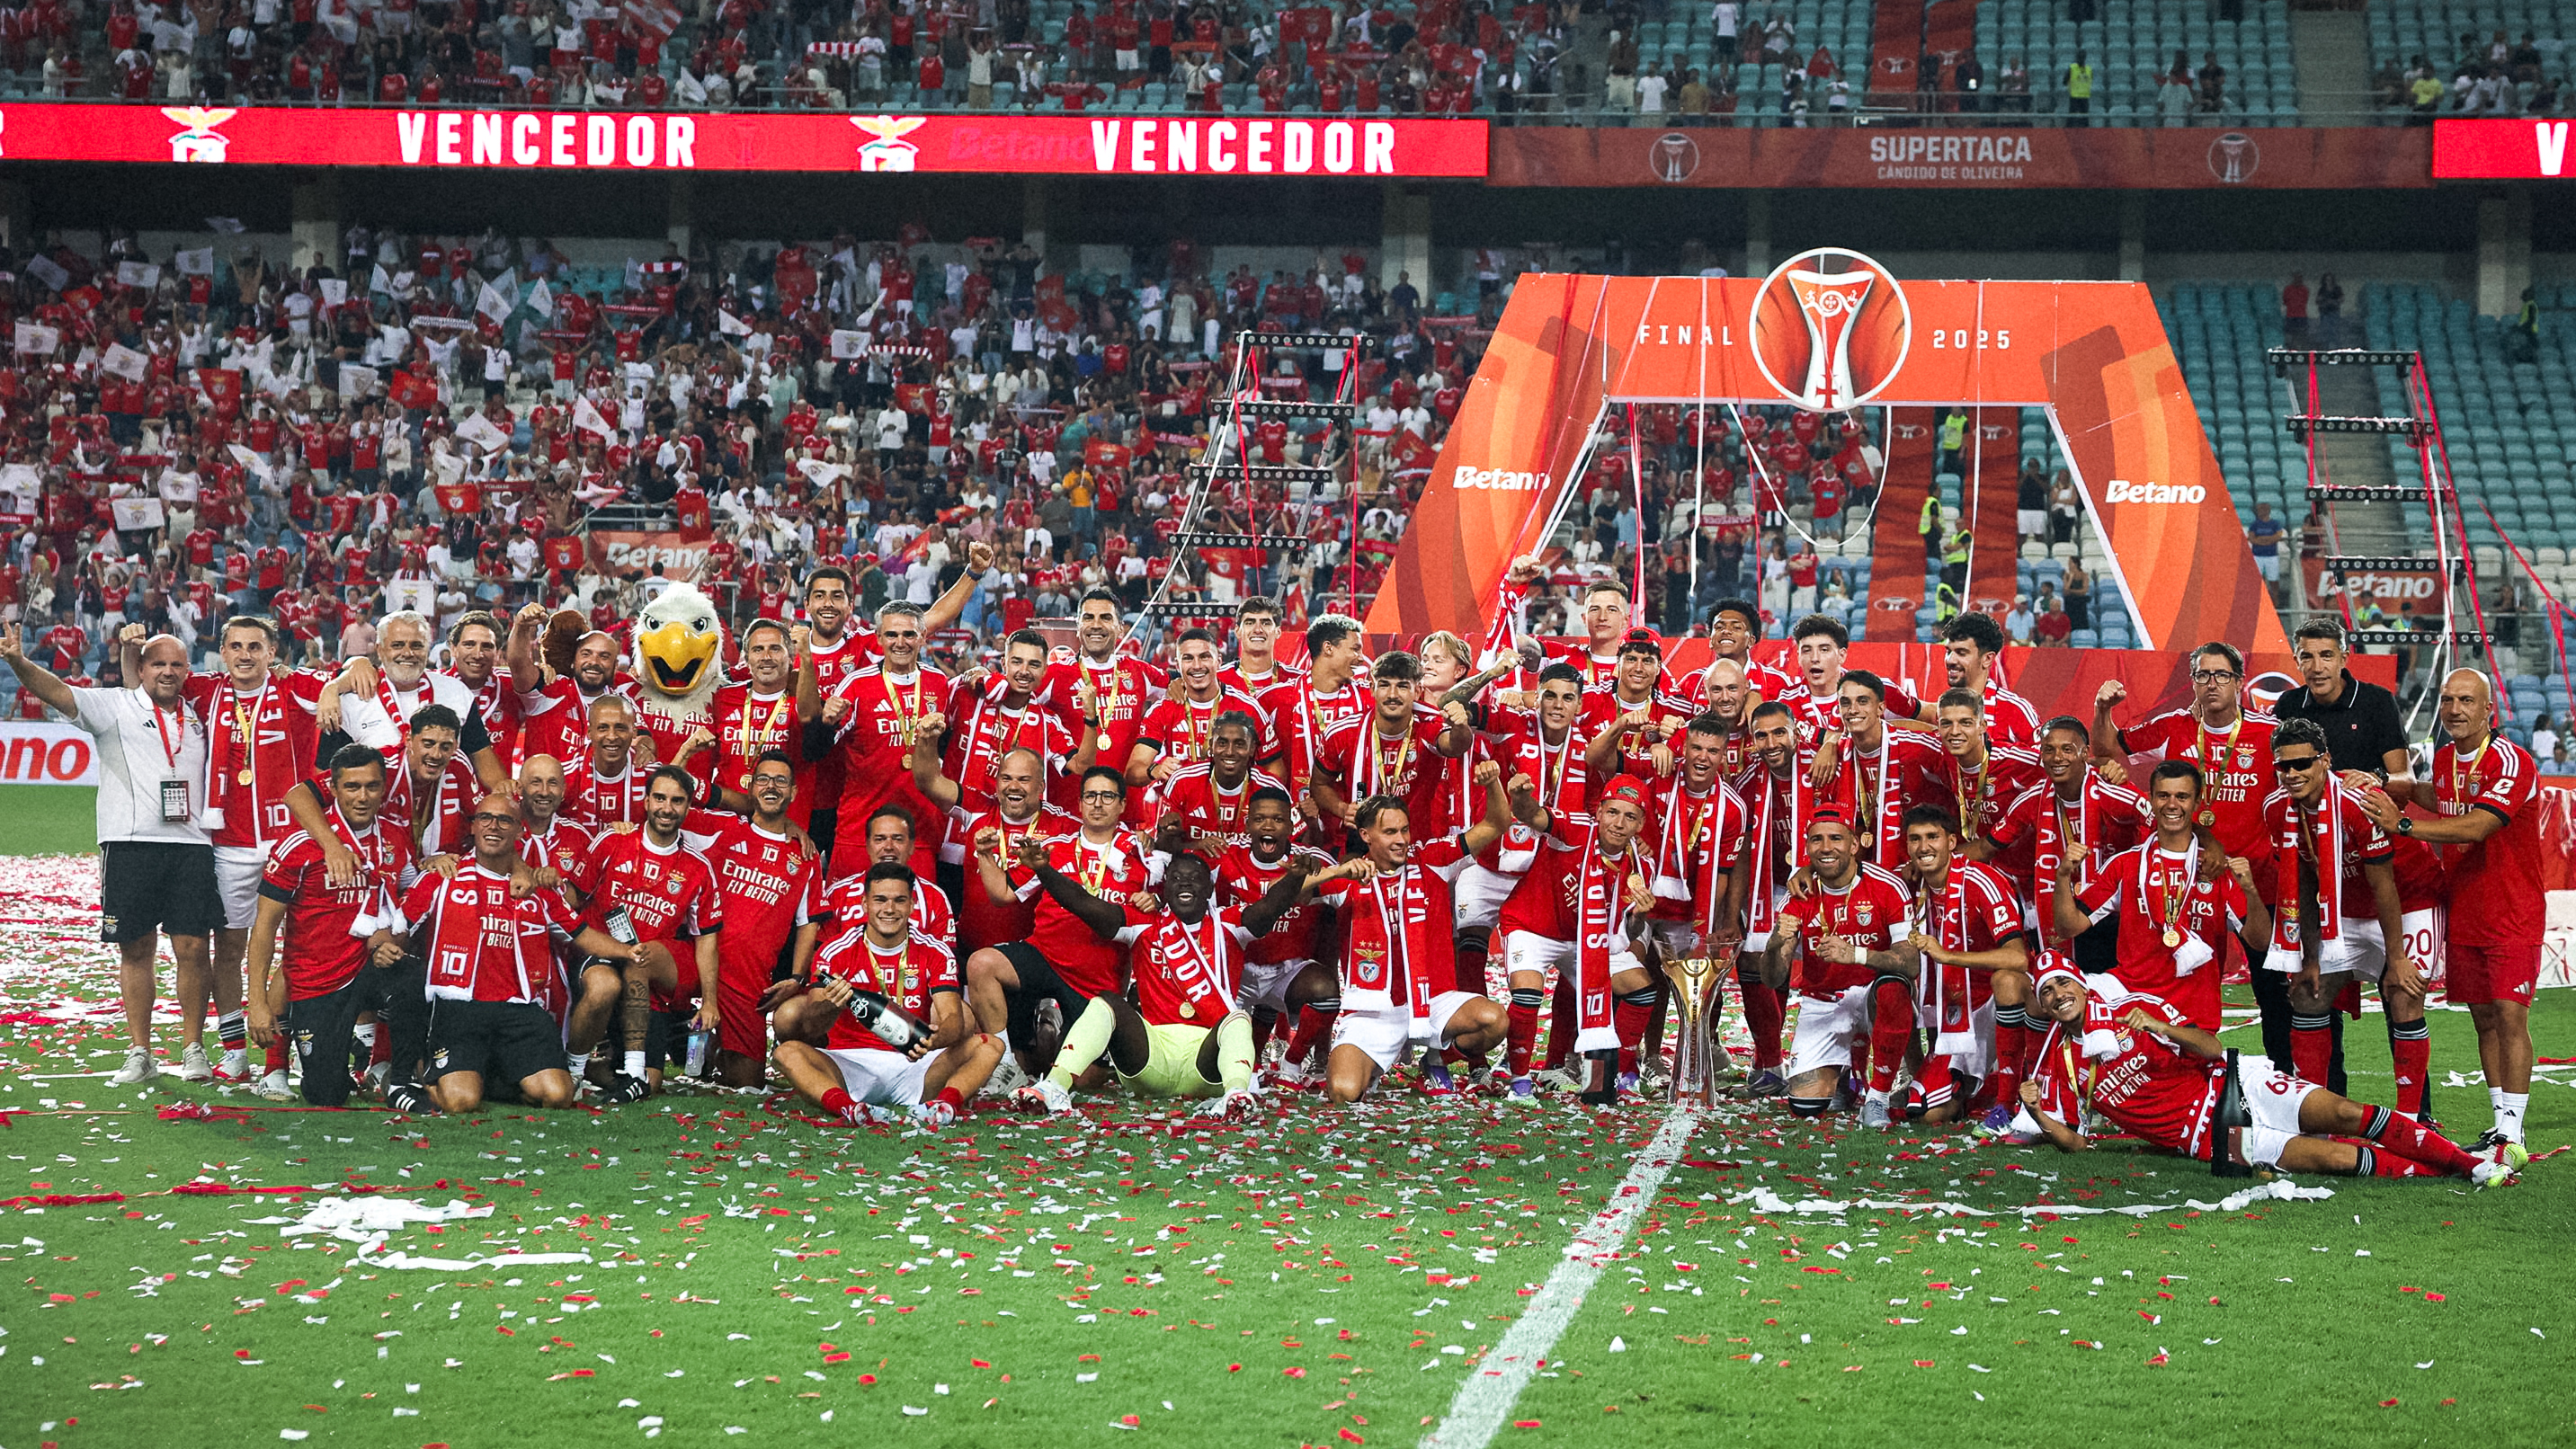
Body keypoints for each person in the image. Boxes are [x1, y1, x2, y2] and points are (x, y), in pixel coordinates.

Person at [2017, 963, 2511, 1187]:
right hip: (2211, 1138)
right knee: (2335, 1160)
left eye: (2063, 982)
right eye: (2046, 992)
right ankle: (2448, 1167)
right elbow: (2079, 1144)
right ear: (2043, 1006)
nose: (2058, 994)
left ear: (2079, 984)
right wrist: (2037, 1112)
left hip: (2233, 1083)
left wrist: (2161, 1027)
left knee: (2341, 1111)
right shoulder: (2058, 1064)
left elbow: (2211, 1046)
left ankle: (2472, 1166)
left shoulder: (2134, 1008)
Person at [2, 619, 223, 1087]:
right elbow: (58, 692)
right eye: (158, 663)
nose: (168, 671)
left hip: (192, 846)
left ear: (188, 670)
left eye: (177, 664)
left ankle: (193, 1047)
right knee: (137, 947)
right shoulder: (114, 706)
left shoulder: (201, 716)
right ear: (140, 670)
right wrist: (18, 661)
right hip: (129, 843)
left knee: (193, 948)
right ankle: (140, 1051)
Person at [1010, 842, 1360, 1117]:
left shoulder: (1229, 925)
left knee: (1238, 1017)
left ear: (1209, 888)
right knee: (1106, 1002)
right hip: (1151, 1057)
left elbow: (1268, 908)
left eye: (1195, 878)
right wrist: (1044, 870)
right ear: (1165, 887)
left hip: (1207, 1063)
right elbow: (1085, 904)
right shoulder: (1143, 926)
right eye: (1177, 878)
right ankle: (1053, 1088)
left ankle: (1236, 1095)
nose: (1185, 883)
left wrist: (1295, 878)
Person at [2354, 670, 2543, 1165]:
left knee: (2509, 1015)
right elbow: (2444, 798)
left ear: (2489, 711)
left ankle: (2514, 1135)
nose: (2455, 709)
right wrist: (2385, 786)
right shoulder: (2443, 758)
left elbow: (2480, 825)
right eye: (2447, 700)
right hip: (2463, 906)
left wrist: (2404, 824)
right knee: (2483, 1019)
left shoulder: (2510, 760)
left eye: (2466, 700)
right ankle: (2500, 1124)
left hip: (2512, 910)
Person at [406, 793, 634, 1114]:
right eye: (485, 818)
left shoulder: (535, 890)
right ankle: (434, 1075)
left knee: (558, 1096)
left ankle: (489, 1073)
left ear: (520, 831)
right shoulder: (441, 877)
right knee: (461, 1102)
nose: (493, 826)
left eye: (505, 820)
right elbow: (401, 928)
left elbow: (580, 933)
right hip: (460, 1007)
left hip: (519, 1010)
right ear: (472, 826)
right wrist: (384, 944)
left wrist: (629, 951)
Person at [2260, 718, 2430, 1119]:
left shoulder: (2358, 802)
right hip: (2343, 907)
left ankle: (2411, 1122)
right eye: (2283, 766)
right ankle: (2314, 1113)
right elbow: (2300, 880)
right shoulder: (2276, 810)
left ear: (2326, 761)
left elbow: (2384, 885)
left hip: (2409, 899)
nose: (2292, 774)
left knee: (2405, 992)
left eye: (2302, 763)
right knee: (2307, 993)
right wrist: (2311, 957)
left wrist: (2397, 959)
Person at [1309, 779, 1512, 1102]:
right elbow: (1289, 891)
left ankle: (1437, 1057)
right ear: (1366, 836)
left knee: (1495, 1021)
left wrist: (1492, 785)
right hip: (1374, 1009)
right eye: (1390, 833)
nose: (1402, 840)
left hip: (1433, 1001)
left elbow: (1497, 824)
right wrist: (1335, 873)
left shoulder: (1432, 858)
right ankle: (1374, 1065)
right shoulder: (1350, 876)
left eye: (1404, 830)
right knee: (1343, 1093)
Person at [963, 766, 1159, 1089]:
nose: (1098, 804)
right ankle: (1004, 1064)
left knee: (1081, 1081)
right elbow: (1002, 894)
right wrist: (985, 854)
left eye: (1107, 796)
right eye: (1090, 796)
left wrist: (1155, 901)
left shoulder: (1144, 854)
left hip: (1096, 981)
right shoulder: (1054, 848)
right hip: (1045, 956)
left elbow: (1171, 905)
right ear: (1079, 804)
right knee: (981, 963)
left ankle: (1052, 1031)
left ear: (1123, 804)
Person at [245, 744, 417, 1107]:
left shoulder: (396, 836)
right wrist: (257, 1003)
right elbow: (264, 927)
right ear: (333, 790)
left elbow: (406, 903)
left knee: (414, 981)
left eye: (372, 786)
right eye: (352, 787)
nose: (362, 796)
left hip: (370, 966)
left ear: (384, 788)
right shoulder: (299, 845)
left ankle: (387, 1070)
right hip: (320, 980)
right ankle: (293, 1064)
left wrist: (392, 939)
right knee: (326, 1093)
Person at [772, 862, 1003, 1127]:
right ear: (865, 904)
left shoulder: (935, 949)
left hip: (915, 1063)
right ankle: (850, 1109)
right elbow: (812, 1027)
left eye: (899, 901)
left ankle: (944, 1107)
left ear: (912, 905)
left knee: (991, 1045)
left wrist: (935, 1039)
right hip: (851, 1063)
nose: (890, 909)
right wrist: (832, 1005)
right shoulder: (835, 950)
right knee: (787, 1052)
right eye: (880, 900)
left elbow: (953, 1017)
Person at [566, 766, 724, 1101]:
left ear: (688, 807)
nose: (667, 808)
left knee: (652, 1085)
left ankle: (625, 1072)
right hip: (600, 956)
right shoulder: (613, 841)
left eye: (677, 801)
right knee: (606, 984)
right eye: (660, 798)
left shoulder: (697, 868)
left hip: (645, 977)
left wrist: (709, 1001)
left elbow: (706, 937)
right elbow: (573, 898)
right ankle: (575, 1070)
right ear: (646, 800)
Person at [1756, 805, 1918, 1117]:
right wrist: (1774, 945)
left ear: (1854, 845)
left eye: (1836, 839)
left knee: (1894, 987)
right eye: (1816, 840)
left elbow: (1910, 964)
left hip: (1873, 993)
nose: (1826, 848)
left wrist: (1856, 955)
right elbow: (1773, 979)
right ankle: (1846, 1076)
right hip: (1823, 1001)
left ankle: (1879, 1098)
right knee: (1805, 1105)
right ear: (1806, 848)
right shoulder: (1799, 896)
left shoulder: (1888, 887)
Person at [1885, 805, 2026, 1127]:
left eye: (1932, 837)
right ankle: (1965, 1086)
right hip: (1951, 1006)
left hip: (1990, 1004)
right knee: (1930, 1116)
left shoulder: (1981, 880)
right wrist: (1806, 871)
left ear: (1951, 842)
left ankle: (2006, 1100)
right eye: (1915, 839)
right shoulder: (1907, 885)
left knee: (2007, 980)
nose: (1923, 848)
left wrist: (1949, 956)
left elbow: (2018, 957)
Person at [700, 750, 825, 1087]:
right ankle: (633, 1053)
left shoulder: (805, 855)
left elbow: (808, 922)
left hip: (747, 979)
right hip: (699, 959)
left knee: (748, 1084)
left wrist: (798, 976)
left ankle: (714, 1052)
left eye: (781, 781)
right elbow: (669, 800)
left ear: (794, 792)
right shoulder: (721, 828)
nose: (772, 787)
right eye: (764, 780)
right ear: (751, 787)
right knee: (646, 960)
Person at [2270, 618, 2411, 785]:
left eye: (2326, 656)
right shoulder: (2288, 703)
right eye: (2307, 657)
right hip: (2303, 809)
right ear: (2297, 662)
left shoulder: (2377, 701)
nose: (2317, 668)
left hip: (2362, 807)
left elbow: (2406, 780)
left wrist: (2376, 778)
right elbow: (2274, 769)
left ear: (2343, 659)